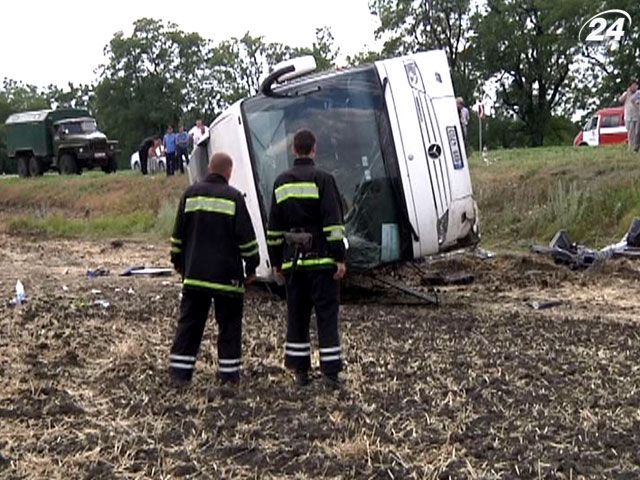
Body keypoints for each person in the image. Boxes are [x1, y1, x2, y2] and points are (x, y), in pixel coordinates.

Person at [169, 152, 260, 389]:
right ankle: (229, 377)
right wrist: (251, 268)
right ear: (229, 172)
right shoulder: (234, 198)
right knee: (229, 327)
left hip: (195, 276)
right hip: (227, 279)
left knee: (189, 325)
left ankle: (179, 374)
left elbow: (178, 236)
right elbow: (247, 241)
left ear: (210, 168)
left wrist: (179, 263)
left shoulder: (190, 194)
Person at [267, 129, 347, 388]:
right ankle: (331, 374)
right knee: (326, 317)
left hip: (293, 263)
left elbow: (274, 229)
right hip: (322, 262)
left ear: (293, 150)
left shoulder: (281, 182)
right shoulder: (323, 179)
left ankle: (301, 373)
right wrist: (339, 258)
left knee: (297, 317)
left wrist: (277, 262)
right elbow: (333, 223)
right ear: (314, 149)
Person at [619, 80, 640, 152]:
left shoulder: (638, 94)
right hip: (628, 116)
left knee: (637, 132)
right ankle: (631, 147)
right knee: (630, 133)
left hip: (637, 115)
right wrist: (626, 94)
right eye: (633, 85)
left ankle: (636, 147)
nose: (635, 87)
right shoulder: (626, 94)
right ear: (630, 86)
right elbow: (620, 100)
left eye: (636, 85)